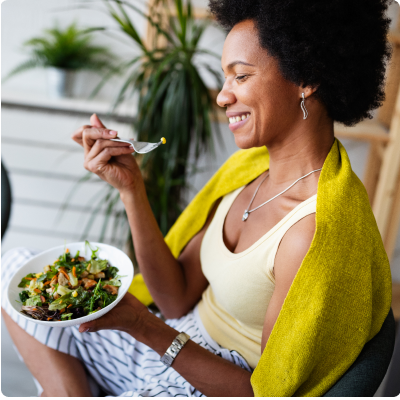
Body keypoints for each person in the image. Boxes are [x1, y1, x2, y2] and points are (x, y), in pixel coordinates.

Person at [1, 0, 392, 397]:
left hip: (213, 380)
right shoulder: (249, 170)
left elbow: (260, 393)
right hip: (172, 337)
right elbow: (174, 297)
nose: (223, 97)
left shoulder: (313, 231)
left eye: (240, 76)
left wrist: (142, 326)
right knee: (11, 268)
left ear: (306, 78)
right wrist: (130, 189)